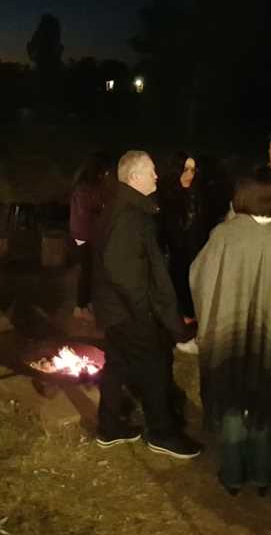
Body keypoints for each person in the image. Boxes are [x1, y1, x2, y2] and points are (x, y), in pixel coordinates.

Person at [189, 167, 271, 495]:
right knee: (263, 406)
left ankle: (232, 475)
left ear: (240, 196)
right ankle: (260, 475)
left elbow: (199, 279)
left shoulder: (224, 235)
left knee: (231, 404)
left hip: (228, 338)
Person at [91, 150, 201, 459]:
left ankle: (110, 427)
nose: (156, 176)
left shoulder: (123, 206)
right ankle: (162, 434)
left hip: (115, 310)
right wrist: (145, 310)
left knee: (117, 365)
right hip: (129, 311)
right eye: (151, 171)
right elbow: (124, 271)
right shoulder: (128, 216)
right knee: (155, 368)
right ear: (135, 176)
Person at [158, 150, 207, 322]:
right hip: (172, 255)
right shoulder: (164, 196)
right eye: (185, 169)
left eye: (193, 170)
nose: (190, 175)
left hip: (193, 253)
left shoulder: (196, 193)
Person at [69, 151, 112, 321]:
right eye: (102, 172)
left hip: (84, 234)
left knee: (91, 271)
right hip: (83, 236)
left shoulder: (84, 186)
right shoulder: (84, 189)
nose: (104, 175)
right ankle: (80, 307)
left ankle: (87, 303)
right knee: (86, 272)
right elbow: (89, 212)